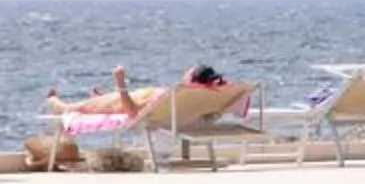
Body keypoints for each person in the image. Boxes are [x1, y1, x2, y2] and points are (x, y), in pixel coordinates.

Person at [44, 64, 229, 120]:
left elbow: (133, 112)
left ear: (191, 80)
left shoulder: (174, 96)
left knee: (67, 108)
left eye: (187, 72)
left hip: (119, 104)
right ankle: (100, 100)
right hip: (120, 100)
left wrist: (120, 83)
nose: (184, 72)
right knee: (101, 100)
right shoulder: (194, 99)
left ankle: (57, 105)